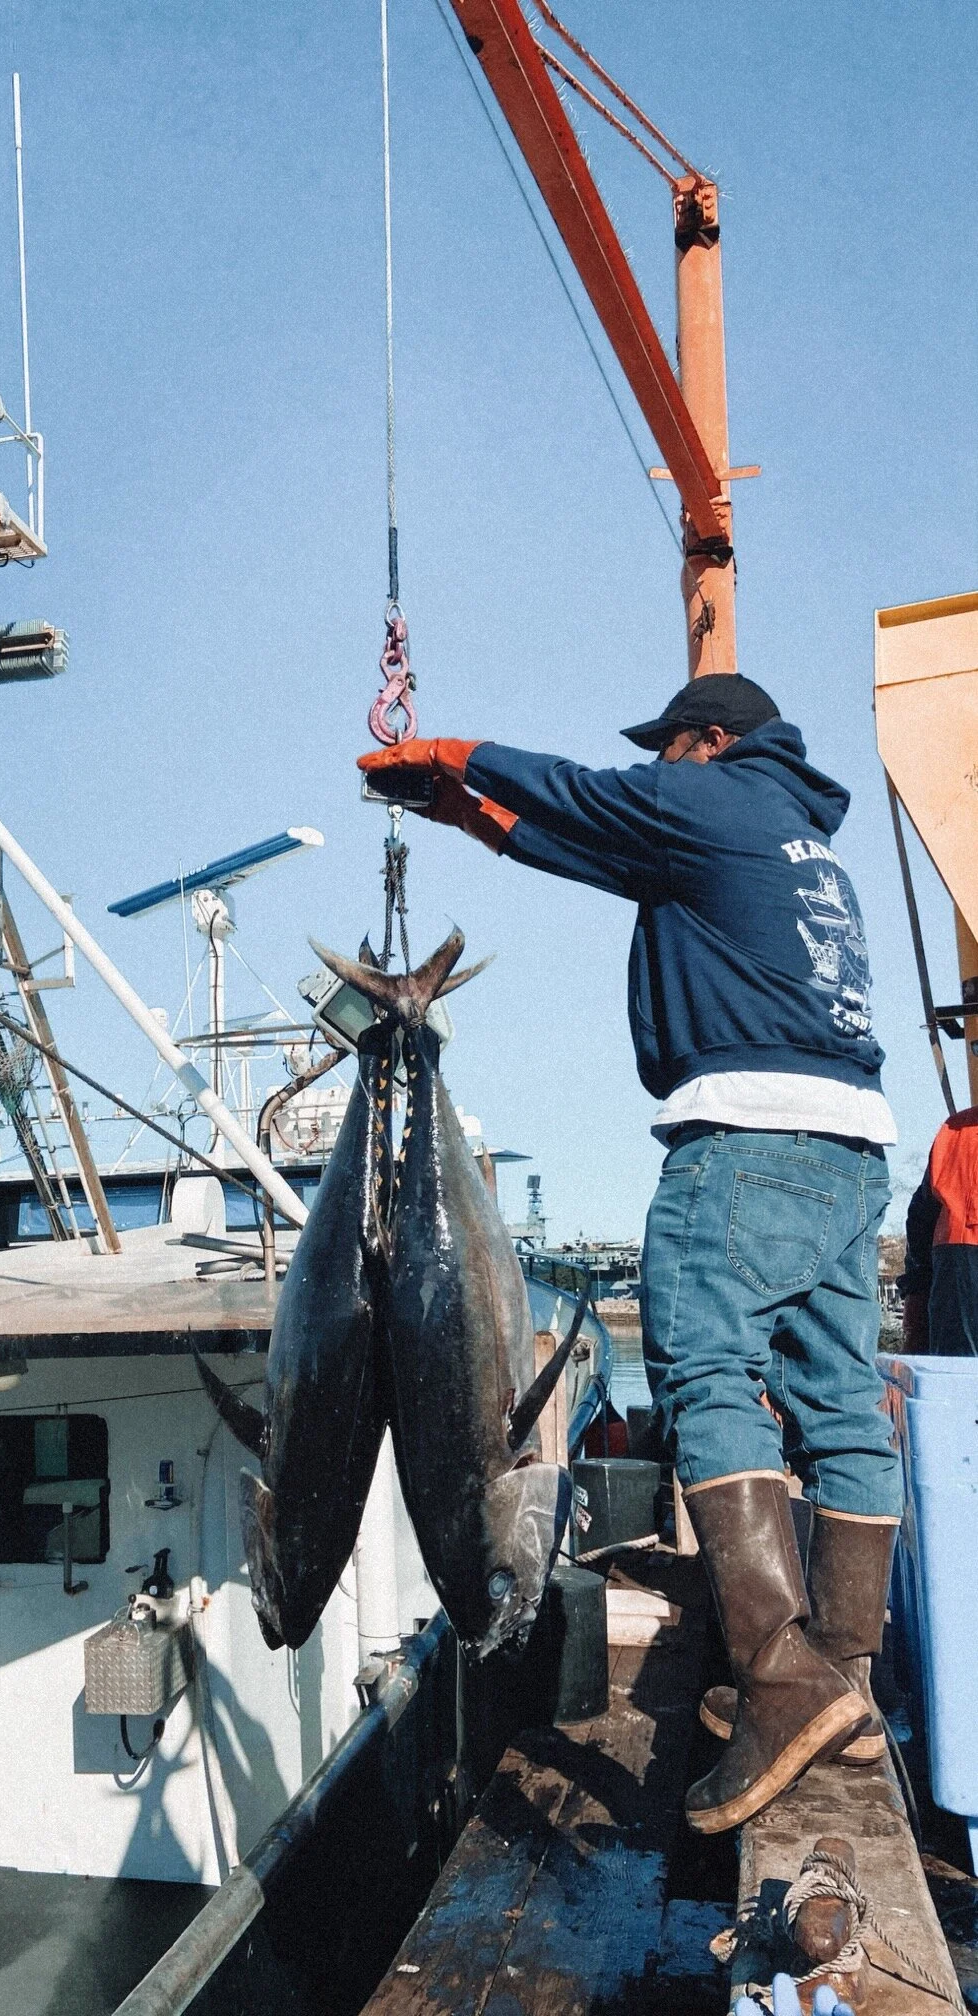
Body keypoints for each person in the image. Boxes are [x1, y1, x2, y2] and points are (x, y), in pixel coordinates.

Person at [358, 674, 900, 1835]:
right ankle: (840, 1683)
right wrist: (477, 823)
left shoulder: (713, 798)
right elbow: (597, 848)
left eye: (671, 750)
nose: (662, 766)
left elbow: (591, 796)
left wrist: (466, 752)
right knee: (844, 1408)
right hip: (853, 1146)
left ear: (708, 742)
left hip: (745, 1137)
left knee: (704, 1375)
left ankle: (777, 1676)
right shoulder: (791, 833)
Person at [899, 1106, 978, 1354]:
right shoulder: (955, 1132)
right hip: (957, 1283)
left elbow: (920, 1223)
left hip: (955, 1287)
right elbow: (921, 1222)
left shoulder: (955, 1131)